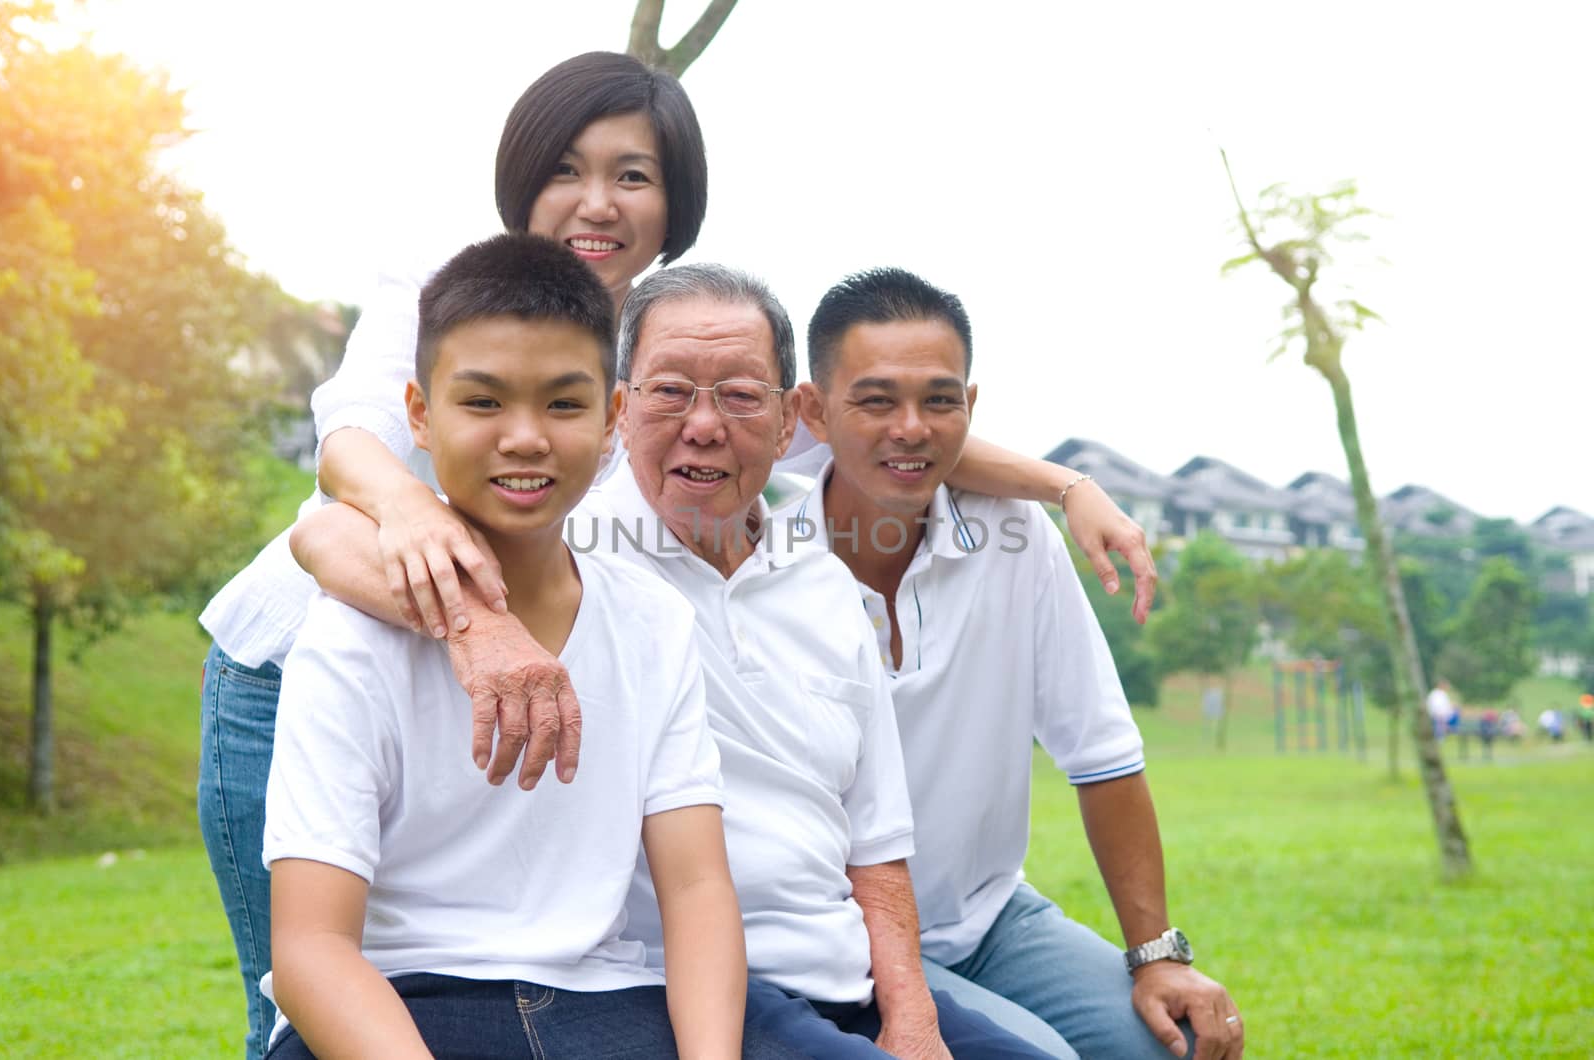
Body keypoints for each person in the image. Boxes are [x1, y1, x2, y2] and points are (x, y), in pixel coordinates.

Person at [198, 51, 1155, 1057]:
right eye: (565, 168)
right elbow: (334, 502)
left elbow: (851, 420)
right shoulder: (451, 295)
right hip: (305, 657)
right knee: (306, 1013)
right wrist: (472, 604)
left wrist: (1064, 484)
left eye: (633, 175)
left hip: (520, 700)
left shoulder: (662, 347)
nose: (595, 202)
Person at [294, 265, 1054, 1058]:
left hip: (837, 972)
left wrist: (914, 1017)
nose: (704, 425)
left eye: (739, 394)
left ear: (792, 414)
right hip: (686, 988)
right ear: (623, 409)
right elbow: (324, 538)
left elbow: (876, 840)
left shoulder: (820, 582)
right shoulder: (564, 523)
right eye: (671, 391)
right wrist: (479, 623)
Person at [264, 235, 758, 1058]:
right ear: (418, 414)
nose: (525, 438)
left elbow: (699, 886)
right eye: (484, 403)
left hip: (602, 1002)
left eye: (564, 404)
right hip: (397, 1004)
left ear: (613, 417)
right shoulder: (347, 638)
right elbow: (312, 949)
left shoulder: (653, 623)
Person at [785, 267, 1244, 1059]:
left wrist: (1158, 956)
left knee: (1164, 1045)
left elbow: (1101, 754)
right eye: (875, 400)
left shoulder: (1016, 538)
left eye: (939, 400)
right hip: (834, 939)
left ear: (971, 407)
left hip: (990, 918)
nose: (910, 427)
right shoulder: (760, 555)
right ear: (813, 413)